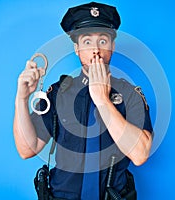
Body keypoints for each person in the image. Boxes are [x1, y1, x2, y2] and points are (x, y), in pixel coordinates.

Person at [13, 2, 153, 199]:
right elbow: (27, 148)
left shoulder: (130, 95)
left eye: (103, 41)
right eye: (87, 42)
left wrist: (102, 100)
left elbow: (140, 154)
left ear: (112, 46)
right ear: (77, 48)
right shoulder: (58, 93)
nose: (95, 50)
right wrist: (22, 98)